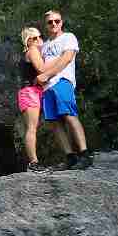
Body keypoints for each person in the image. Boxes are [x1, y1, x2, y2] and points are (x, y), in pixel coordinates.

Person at [36, 9, 93, 169]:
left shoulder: (68, 37)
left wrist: (47, 74)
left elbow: (67, 59)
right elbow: (38, 65)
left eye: (57, 21)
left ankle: (84, 154)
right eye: (50, 22)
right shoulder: (44, 45)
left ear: (62, 22)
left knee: (69, 115)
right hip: (47, 87)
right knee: (53, 122)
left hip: (62, 81)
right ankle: (70, 157)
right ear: (45, 25)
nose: (54, 24)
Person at [17, 25, 46, 170]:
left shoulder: (29, 53)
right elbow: (42, 69)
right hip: (31, 92)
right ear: (28, 41)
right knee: (32, 128)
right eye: (34, 38)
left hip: (29, 91)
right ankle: (33, 162)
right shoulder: (33, 51)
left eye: (40, 37)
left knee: (32, 128)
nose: (38, 40)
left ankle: (34, 162)